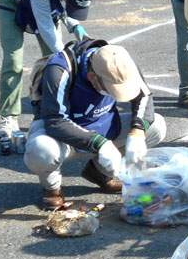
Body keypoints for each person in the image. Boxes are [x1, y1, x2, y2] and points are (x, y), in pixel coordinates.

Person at [24, 38, 166, 209]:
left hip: (106, 127)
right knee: (41, 150)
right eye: (110, 89)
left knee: (156, 126)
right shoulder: (59, 69)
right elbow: (55, 120)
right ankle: (52, 188)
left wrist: (137, 131)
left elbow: (144, 97)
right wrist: (101, 144)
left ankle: (99, 173)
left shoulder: (120, 61)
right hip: (64, 137)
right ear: (92, 77)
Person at [0, 0, 95, 142]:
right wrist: (67, 57)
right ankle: (8, 118)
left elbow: (68, 4)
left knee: (53, 64)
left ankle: (51, 115)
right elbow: (45, 26)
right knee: (14, 61)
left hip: (48, 2)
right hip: (13, 2)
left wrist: (76, 26)